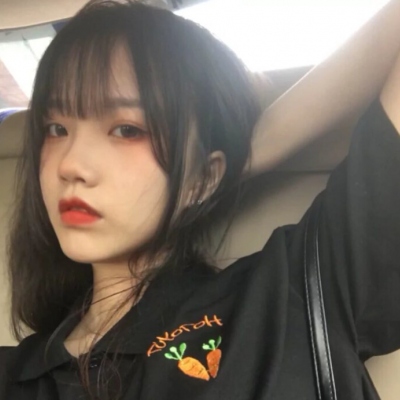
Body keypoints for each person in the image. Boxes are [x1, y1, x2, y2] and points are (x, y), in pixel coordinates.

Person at [1, 0, 400, 399]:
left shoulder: (290, 293)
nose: (70, 165)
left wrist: (246, 156)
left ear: (206, 176)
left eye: (127, 130)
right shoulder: (14, 374)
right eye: (56, 129)